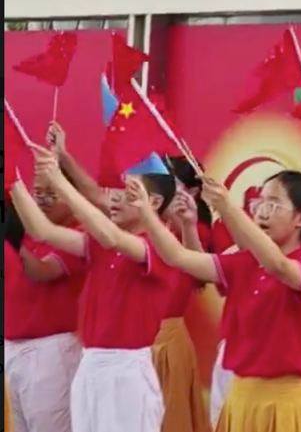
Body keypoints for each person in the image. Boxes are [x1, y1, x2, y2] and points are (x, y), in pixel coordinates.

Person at [135, 167, 301, 432]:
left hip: (282, 405)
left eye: (273, 204)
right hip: (239, 399)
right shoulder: (244, 262)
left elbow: (279, 266)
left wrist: (226, 207)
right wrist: (147, 213)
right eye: (259, 202)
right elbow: (177, 257)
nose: (262, 212)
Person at [11, 145, 180, 432]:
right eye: (113, 189)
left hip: (126, 372)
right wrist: (13, 181)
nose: (113, 197)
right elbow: (43, 231)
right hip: (89, 365)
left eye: (127, 190)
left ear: (153, 202)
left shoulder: (161, 247)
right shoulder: (100, 245)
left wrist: (59, 181)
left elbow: (111, 236)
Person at [3, 191, 84, 432]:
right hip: (12, 349)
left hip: (51, 352)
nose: (43, 199)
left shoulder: (77, 235)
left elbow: (42, 271)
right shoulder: (23, 232)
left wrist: (14, 241)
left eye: (52, 193)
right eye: (38, 192)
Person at [150, 157, 212, 432]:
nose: (163, 190)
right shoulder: (142, 227)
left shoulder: (196, 231)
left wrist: (183, 222)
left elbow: (200, 272)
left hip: (167, 341)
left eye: (171, 184)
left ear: (193, 192)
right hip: (135, 343)